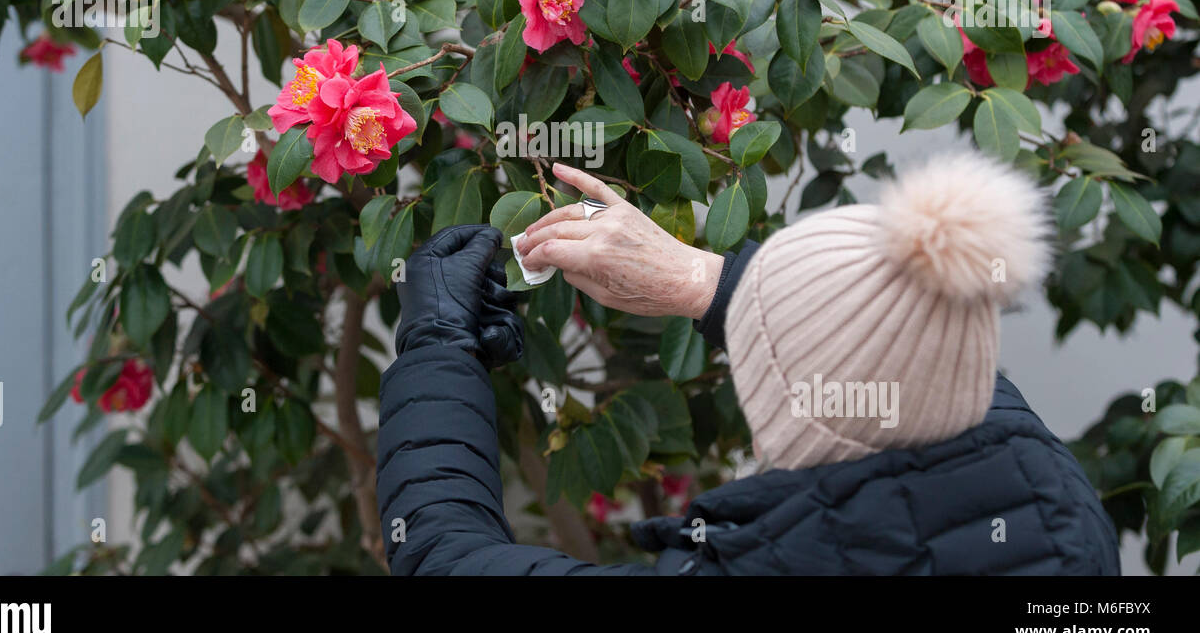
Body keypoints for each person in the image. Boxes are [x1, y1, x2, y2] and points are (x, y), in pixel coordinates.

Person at [375, 154, 1121, 575]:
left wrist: (438, 345)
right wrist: (699, 280)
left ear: (782, 403)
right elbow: (924, 344)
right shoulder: (1062, 518)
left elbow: (440, 556)